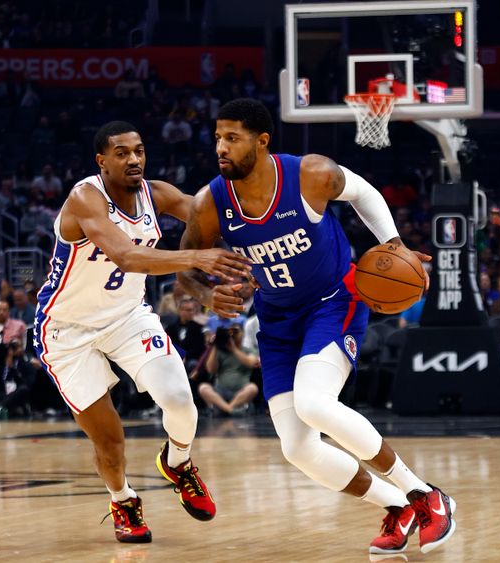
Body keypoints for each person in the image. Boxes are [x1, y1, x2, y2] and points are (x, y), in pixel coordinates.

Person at [178, 99, 455, 556]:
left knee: (313, 403)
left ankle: (425, 494)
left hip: (333, 300)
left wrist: (393, 244)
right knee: (298, 448)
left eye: (233, 138)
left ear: (262, 142)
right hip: (277, 318)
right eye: (217, 139)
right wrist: (207, 295)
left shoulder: (310, 173)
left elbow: (364, 193)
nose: (221, 148)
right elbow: (186, 266)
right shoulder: (211, 203)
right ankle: (398, 506)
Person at [32, 121, 251, 544]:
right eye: (122, 153)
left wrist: (262, 241)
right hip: (66, 330)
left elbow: (216, 218)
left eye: (139, 151)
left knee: (181, 403)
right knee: (111, 441)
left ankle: (179, 463)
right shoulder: (84, 197)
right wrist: (199, 258)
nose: (133, 159)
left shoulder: (158, 193)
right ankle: (123, 499)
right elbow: (129, 256)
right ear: (102, 161)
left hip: (128, 316)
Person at [196, 316, 259, 415]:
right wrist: (215, 346)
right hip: (220, 390)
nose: (233, 335)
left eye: (236, 332)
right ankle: (230, 410)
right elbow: (211, 370)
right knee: (203, 388)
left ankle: (226, 408)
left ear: (242, 334)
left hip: (240, 390)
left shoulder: (248, 350)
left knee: (252, 388)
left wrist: (234, 349)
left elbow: (251, 363)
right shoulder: (220, 351)